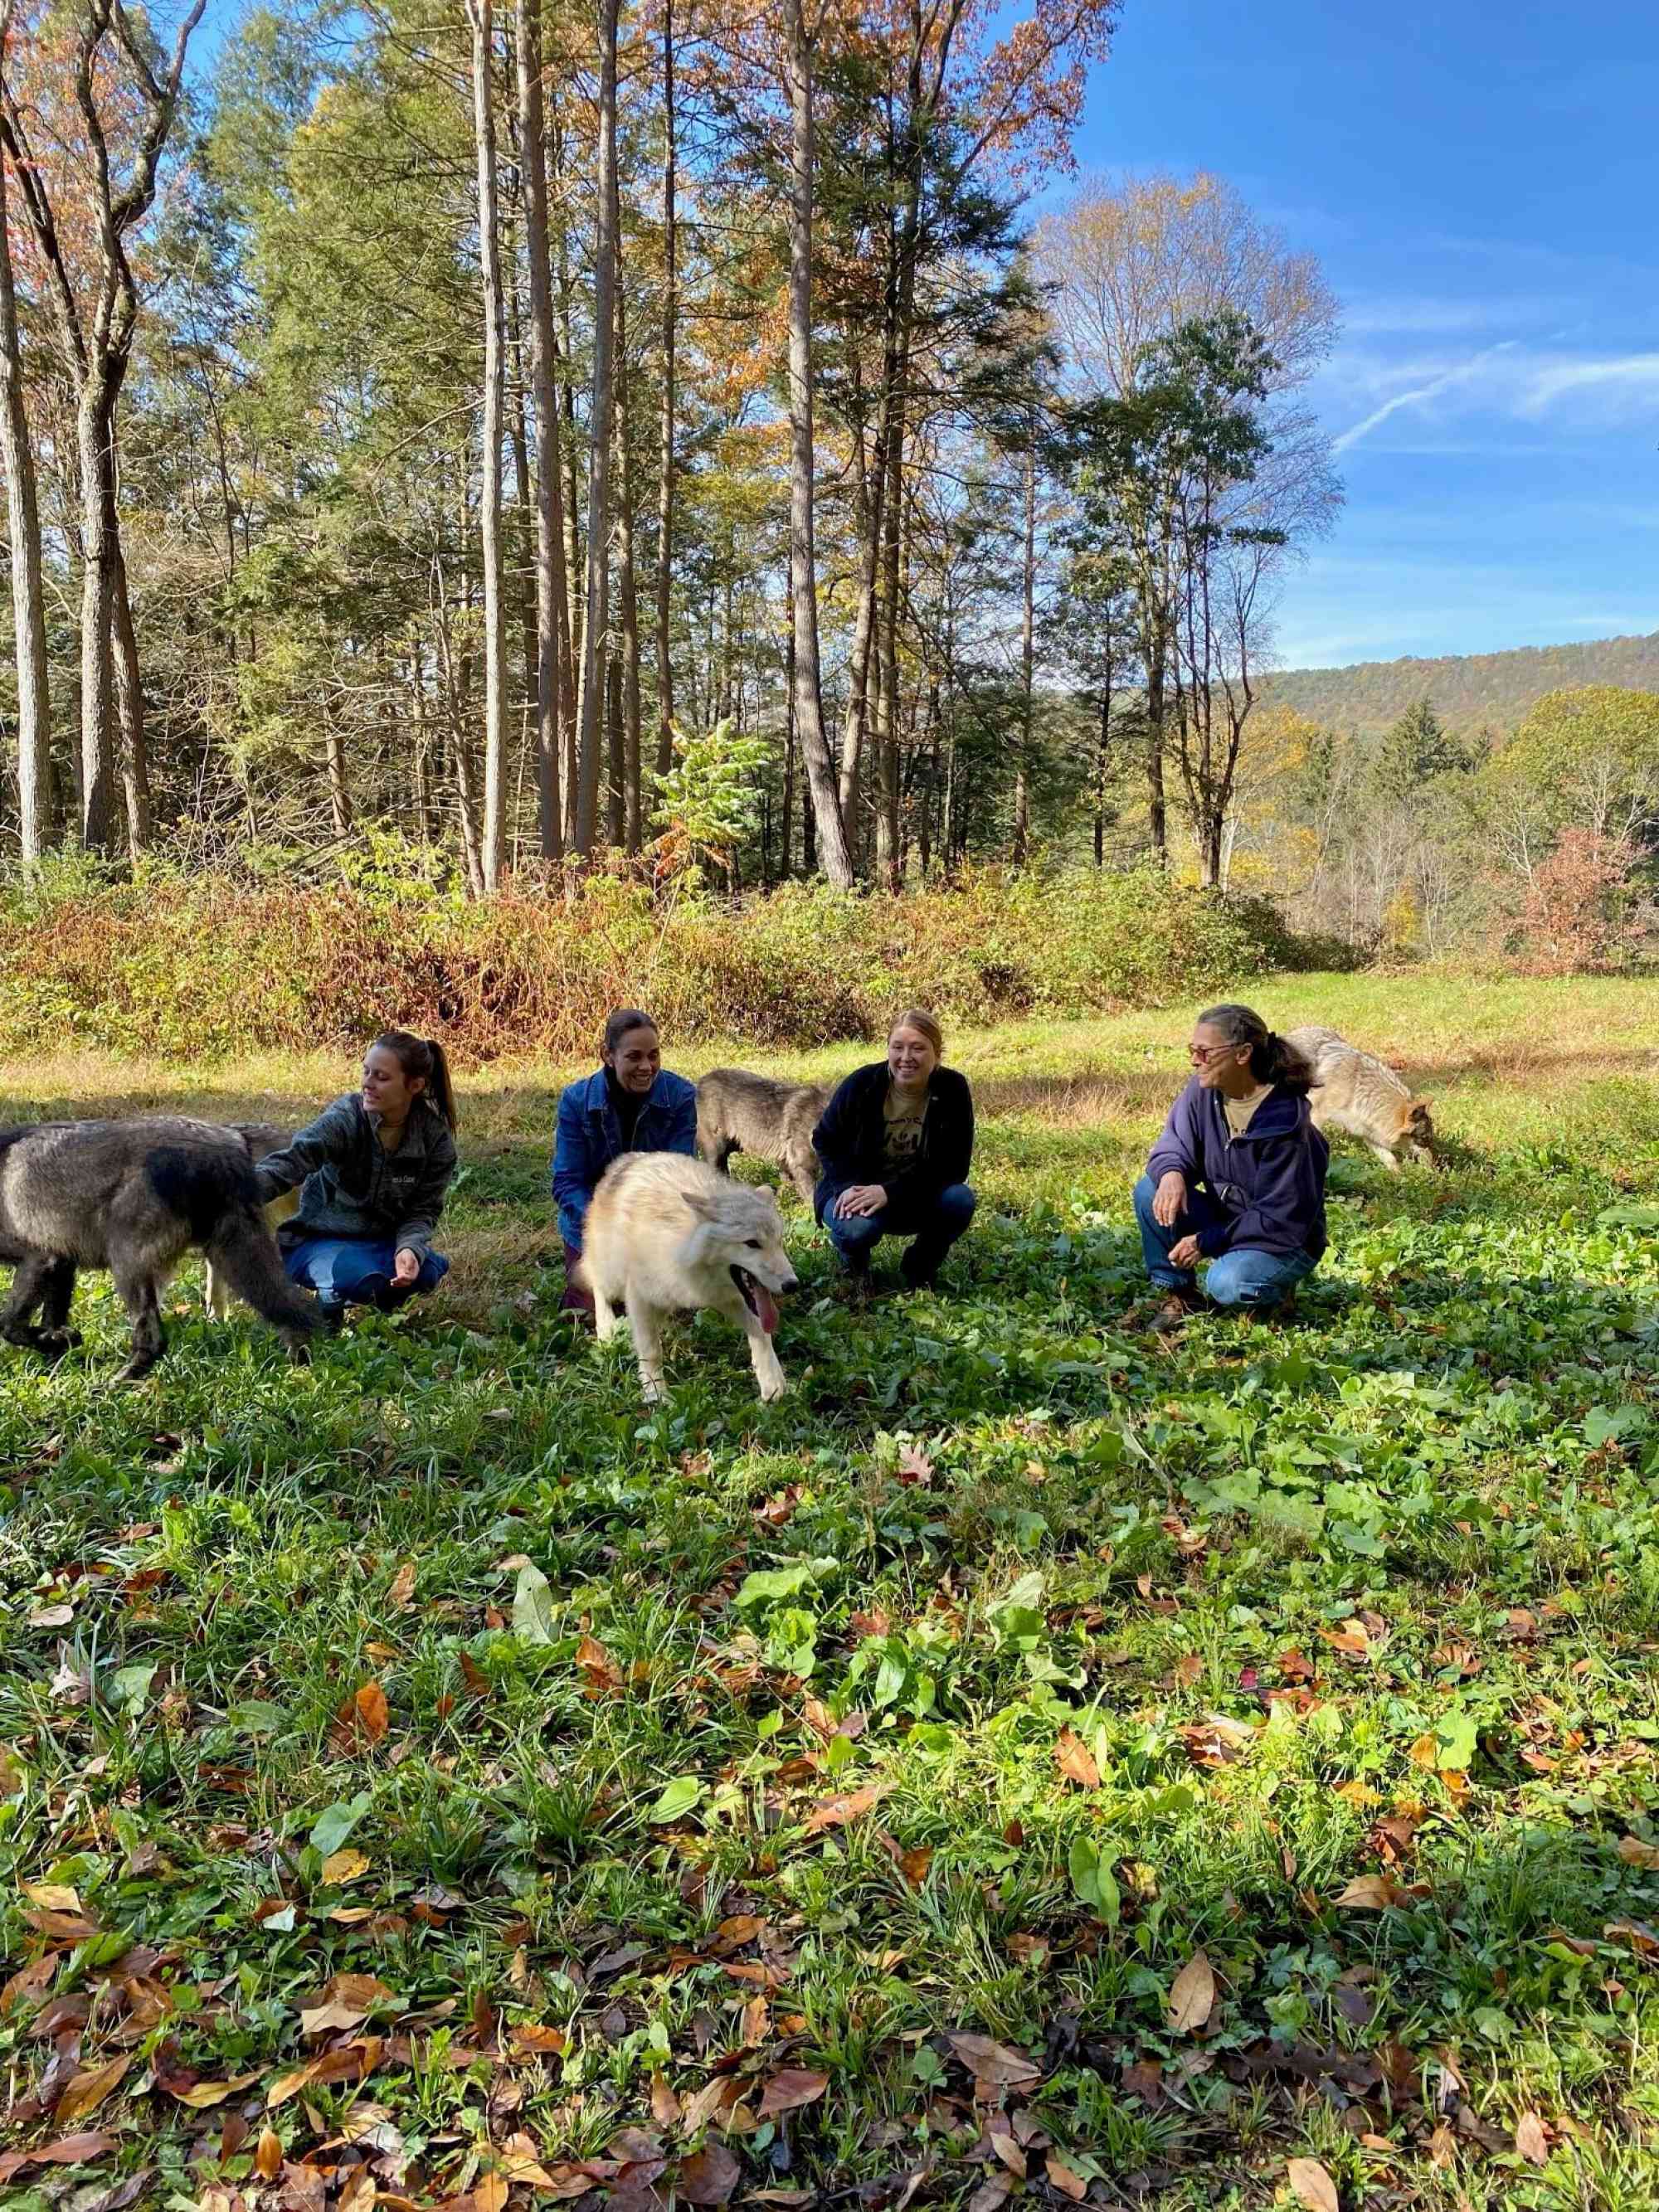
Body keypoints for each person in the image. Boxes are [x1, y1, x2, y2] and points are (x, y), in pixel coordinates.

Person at [1134, 1002, 1327, 1334]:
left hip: (1284, 1239)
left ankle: (1273, 1293)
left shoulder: (1285, 1123)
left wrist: (1205, 1241)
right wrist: (1172, 1174)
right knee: (1150, 1190)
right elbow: (1173, 1143)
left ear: (1243, 1054)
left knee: (1226, 1284)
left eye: (1205, 1051)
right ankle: (1180, 1294)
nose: (1196, 1060)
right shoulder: (1203, 1092)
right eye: (1192, 1050)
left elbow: (1278, 1219)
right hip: (1232, 1218)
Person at [255, 1031, 459, 1316]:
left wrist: (409, 1249)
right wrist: (236, 1192)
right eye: (366, 1072)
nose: (368, 1083)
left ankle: (374, 1293)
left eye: (381, 1077)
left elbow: (423, 1210)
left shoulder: (434, 1139)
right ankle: (332, 1299)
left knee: (424, 1273)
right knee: (360, 1277)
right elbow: (295, 1159)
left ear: (414, 1085)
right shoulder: (347, 1116)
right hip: (317, 1241)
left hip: (380, 1243)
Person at [812, 1009, 975, 1296]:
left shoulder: (953, 1088)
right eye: (897, 1047)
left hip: (913, 1196)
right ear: (887, 1049)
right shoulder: (862, 1084)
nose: (906, 1057)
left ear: (936, 1053)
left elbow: (954, 1166)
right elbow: (825, 1138)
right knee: (858, 1228)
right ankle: (855, 1267)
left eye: (918, 1048)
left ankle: (919, 1268)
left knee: (960, 1199)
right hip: (856, 1190)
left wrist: (889, 1192)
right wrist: (847, 1187)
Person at [551, 1009, 698, 1312]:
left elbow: (679, 1175)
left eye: (654, 1056)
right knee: (589, 1315)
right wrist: (608, 1224)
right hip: (594, 1225)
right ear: (608, 1054)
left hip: (655, 1224)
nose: (647, 1066)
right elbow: (567, 1182)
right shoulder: (576, 1101)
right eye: (634, 1057)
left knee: (669, 1307)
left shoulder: (681, 1096)